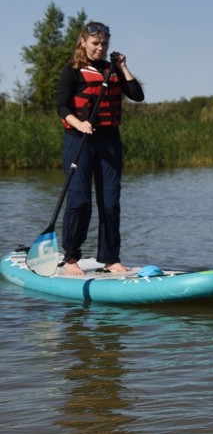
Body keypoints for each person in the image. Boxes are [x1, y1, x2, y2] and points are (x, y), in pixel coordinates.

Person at [56, 21, 144, 276]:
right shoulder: (72, 71)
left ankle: (110, 258)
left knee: (110, 202)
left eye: (104, 43)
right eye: (95, 43)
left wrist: (124, 66)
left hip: (110, 141)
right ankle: (71, 257)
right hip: (79, 140)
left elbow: (137, 95)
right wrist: (78, 123)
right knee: (80, 200)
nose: (100, 48)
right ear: (84, 42)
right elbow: (62, 106)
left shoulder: (112, 70)